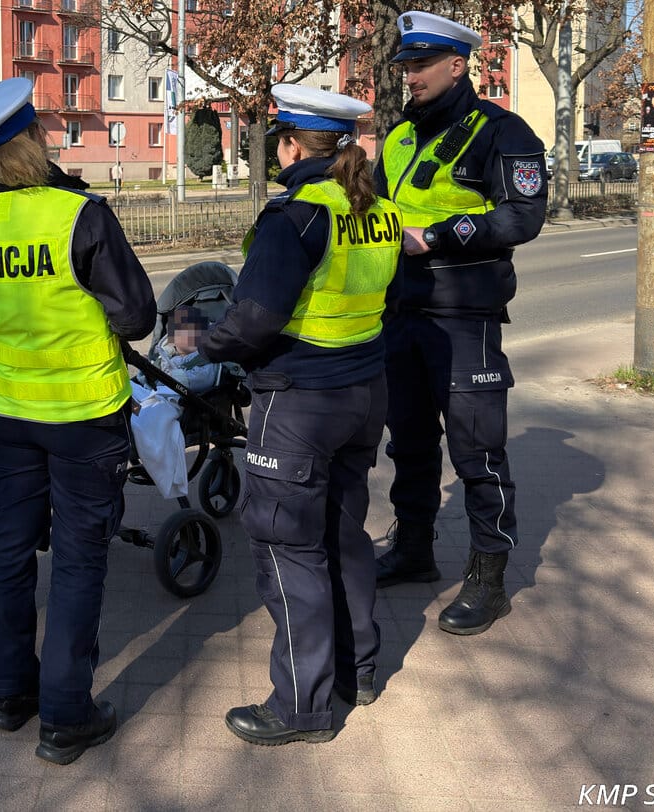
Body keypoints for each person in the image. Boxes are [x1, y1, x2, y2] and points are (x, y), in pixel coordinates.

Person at [0, 77, 156, 765]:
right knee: (81, 560)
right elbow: (139, 316)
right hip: (85, 417)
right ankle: (65, 715)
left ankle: (9, 696)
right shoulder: (78, 215)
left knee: (8, 551)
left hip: (12, 416)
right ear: (34, 140)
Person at [198, 83, 402, 745]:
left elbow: (253, 319)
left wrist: (203, 342)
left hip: (299, 403)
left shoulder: (297, 218)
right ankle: (357, 670)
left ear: (290, 144)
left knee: (289, 550)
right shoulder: (378, 209)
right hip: (363, 392)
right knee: (345, 535)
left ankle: (300, 708)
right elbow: (387, 299)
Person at [372, 10, 547, 636]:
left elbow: (523, 217)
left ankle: (489, 576)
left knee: (477, 452)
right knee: (410, 443)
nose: (409, 77)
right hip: (399, 311)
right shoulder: (395, 138)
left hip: (462, 316)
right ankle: (414, 549)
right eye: (405, 66)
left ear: (457, 64)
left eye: (420, 66)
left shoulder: (503, 131)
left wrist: (439, 236)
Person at [154, 305, 220, 393]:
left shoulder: (207, 359)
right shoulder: (166, 356)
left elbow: (201, 379)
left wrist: (169, 376)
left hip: (179, 399)